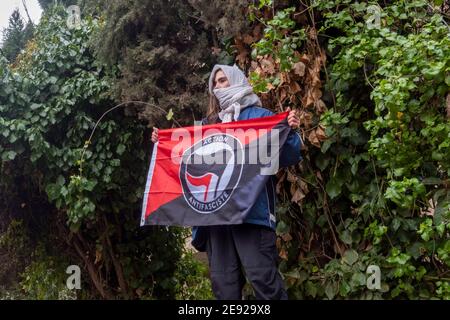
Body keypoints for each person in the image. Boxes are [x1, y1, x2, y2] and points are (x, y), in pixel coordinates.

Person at [151, 64, 302, 300]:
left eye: (223, 80)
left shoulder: (262, 118)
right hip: (216, 219)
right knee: (224, 286)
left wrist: (289, 130)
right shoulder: (207, 125)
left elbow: (289, 156)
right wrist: (163, 143)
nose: (219, 86)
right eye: (215, 83)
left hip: (251, 214)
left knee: (263, 280)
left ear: (237, 80)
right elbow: (188, 162)